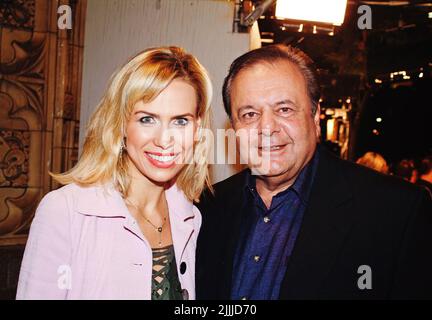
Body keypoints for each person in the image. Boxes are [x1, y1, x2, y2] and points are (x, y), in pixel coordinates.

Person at [196, 44, 432, 300]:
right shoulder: (205, 207)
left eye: (284, 109)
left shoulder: (396, 212)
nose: (266, 127)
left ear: (315, 116)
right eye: (250, 114)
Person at [16, 46, 213, 300]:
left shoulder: (191, 217)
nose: (165, 140)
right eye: (147, 119)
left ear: (197, 129)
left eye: (180, 121)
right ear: (120, 124)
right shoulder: (65, 211)